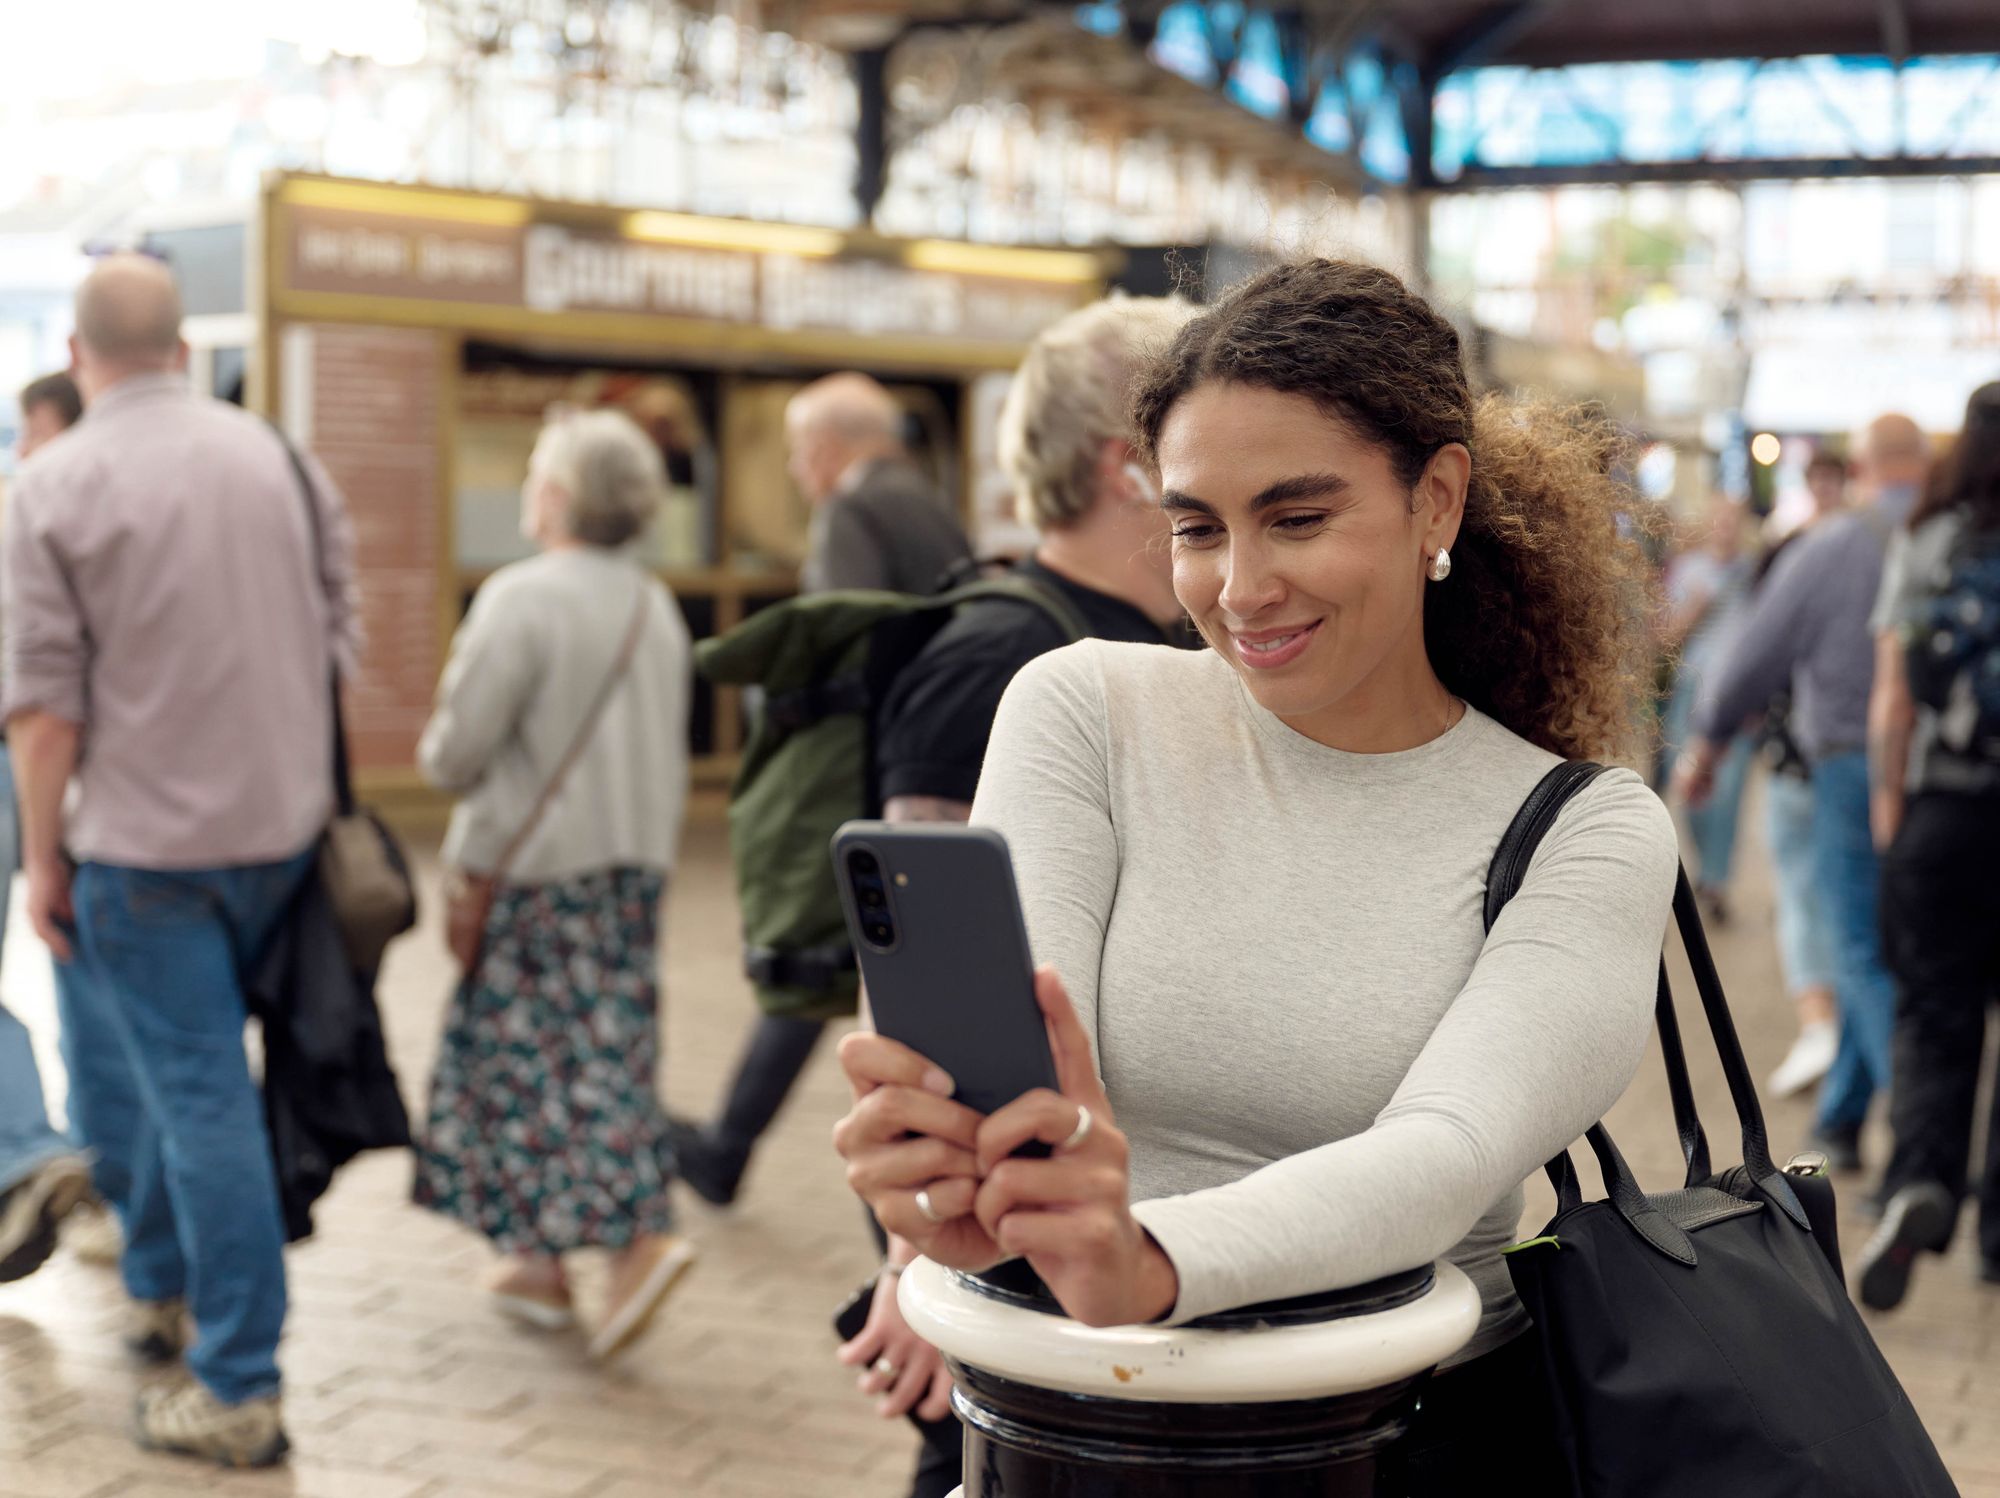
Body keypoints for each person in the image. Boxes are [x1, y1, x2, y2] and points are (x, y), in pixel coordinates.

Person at [832, 260, 1679, 1490]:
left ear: (1435, 501)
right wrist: (951, 1190)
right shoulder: (1084, 707)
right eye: (1194, 527)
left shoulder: (1584, 829)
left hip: (1396, 1448)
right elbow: (1021, 1068)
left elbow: (1440, 1156)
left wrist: (1138, 1258)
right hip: (1056, 1430)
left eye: (1295, 518)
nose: (1237, 589)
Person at [828, 295, 1197, 1498]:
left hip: (1105, 1207)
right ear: (1123, 468)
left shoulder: (1171, 646)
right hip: (990, 1214)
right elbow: (928, 991)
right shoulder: (993, 657)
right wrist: (913, 1262)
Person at [3, 254, 357, 1466]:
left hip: (143, 852)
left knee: (183, 1090)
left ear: (76, 357)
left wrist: (41, 857)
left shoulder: (51, 484)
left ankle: (239, 1379)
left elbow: (42, 710)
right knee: (165, 1078)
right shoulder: (279, 460)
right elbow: (340, 639)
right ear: (184, 349)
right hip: (281, 838)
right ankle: (155, 1279)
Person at [412, 407, 696, 1363]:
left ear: (562, 496)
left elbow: (455, 754)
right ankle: (533, 1261)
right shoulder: (652, 604)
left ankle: (632, 1243)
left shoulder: (521, 598)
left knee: (534, 1065)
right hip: (631, 869)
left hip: (533, 874)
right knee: (599, 1049)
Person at [670, 372, 974, 1206]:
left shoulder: (851, 509)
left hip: (861, 771)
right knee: (868, 981)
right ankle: (735, 1152)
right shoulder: (930, 502)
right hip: (924, 766)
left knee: (812, 968)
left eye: (801, 451)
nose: (800, 471)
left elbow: (838, 640)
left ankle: (747, 1159)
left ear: (829, 445)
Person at [1677, 414, 1931, 1174]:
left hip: (1852, 765)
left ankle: (1925, 1149)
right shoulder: (1963, 532)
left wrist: (1708, 745)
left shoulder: (1835, 545)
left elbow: (1754, 656)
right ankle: (1843, 1120)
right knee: (1900, 946)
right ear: (1922, 465)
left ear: (1863, 471)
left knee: (1858, 945)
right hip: (1952, 776)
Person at [1854, 382, 2000, 1310]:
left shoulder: (1930, 539)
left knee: (1934, 1010)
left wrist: (1886, 805)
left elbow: (1894, 696)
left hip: (1945, 814)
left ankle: (1920, 1179)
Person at [0, 371, 95, 1288]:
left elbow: (40, 698)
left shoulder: (40, 512)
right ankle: (72, 1160)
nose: (24, 453)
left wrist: (39, 842)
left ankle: (31, 1148)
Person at [1760, 451, 1847, 1099]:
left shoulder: (1792, 553)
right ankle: (1833, 1031)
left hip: (1804, 751)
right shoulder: (1879, 548)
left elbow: (1757, 646)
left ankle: (1822, 1029)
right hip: (1844, 753)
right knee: (1838, 894)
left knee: (1802, 892)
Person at [1656, 494, 1755, 923]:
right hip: (1692, 690)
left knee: (1729, 790)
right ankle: (1703, 866)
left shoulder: (1756, 574)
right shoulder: (1689, 571)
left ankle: (1716, 880)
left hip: (1738, 693)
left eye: (1733, 519)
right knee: (1690, 781)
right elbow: (1663, 638)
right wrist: (1694, 607)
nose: (1726, 527)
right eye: (1719, 519)